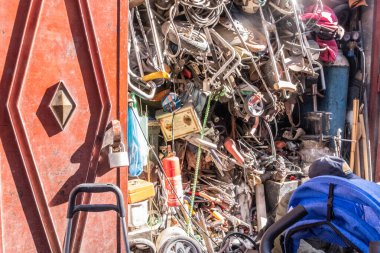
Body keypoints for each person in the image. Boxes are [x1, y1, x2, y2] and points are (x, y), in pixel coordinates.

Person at [272, 156, 359, 253]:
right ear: (323, 184)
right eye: (342, 184)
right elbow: (285, 238)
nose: (346, 189)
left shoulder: (341, 200)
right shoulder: (292, 200)